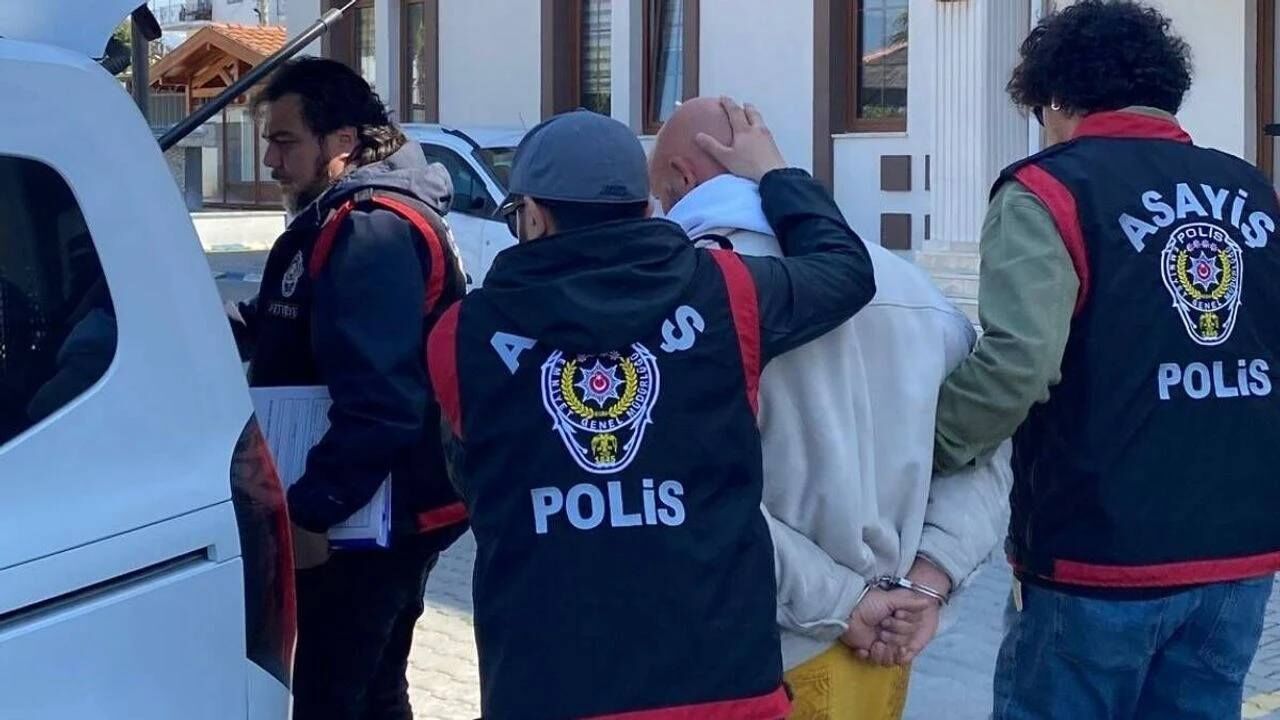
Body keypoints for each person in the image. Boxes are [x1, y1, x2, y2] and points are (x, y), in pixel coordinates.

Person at [425, 101, 875, 719]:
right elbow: (846, 270)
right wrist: (774, 172)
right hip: (723, 687)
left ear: (533, 216)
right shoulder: (728, 292)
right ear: (646, 210)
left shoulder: (461, 335)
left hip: (548, 686)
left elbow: (469, 478)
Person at [933, 3, 1280, 718]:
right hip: (1241, 548)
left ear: (1058, 97)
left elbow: (1019, 364)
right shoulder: (1254, 190)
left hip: (1099, 553)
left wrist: (928, 448)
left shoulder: (1048, 189)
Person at [651, 97, 1012, 720]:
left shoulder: (682, 305)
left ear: (682, 180)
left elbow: (689, 497)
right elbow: (983, 452)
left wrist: (847, 602)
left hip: (749, 658)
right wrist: (928, 579)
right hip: (883, 654)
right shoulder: (912, 289)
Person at [230, 57, 467, 720]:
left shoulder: (371, 229)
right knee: (373, 692)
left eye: (285, 141)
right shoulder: (340, 217)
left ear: (342, 142)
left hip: (374, 517)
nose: (271, 161)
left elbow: (382, 404)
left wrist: (312, 511)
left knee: (333, 697)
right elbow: (298, 324)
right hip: (381, 506)